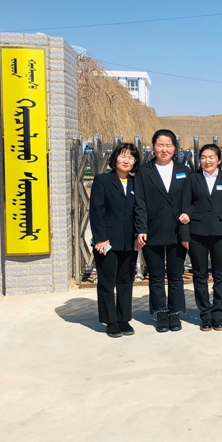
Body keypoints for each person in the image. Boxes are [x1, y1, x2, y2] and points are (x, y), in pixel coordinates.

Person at [134, 129, 191, 333]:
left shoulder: (185, 171)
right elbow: (139, 202)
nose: (164, 149)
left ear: (175, 148)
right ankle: (160, 313)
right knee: (156, 275)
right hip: (153, 229)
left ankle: (175, 313)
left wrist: (188, 215)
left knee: (176, 275)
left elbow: (191, 200)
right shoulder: (144, 171)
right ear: (153, 147)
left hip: (177, 230)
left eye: (168, 145)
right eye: (160, 145)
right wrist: (141, 228)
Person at [181, 144, 222, 331]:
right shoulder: (193, 178)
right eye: (203, 157)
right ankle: (205, 314)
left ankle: (218, 314)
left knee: (220, 275)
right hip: (197, 233)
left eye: (211, 157)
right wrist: (185, 234)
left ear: (219, 160)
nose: (207, 161)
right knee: (200, 275)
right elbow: (185, 206)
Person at [90, 142, 140, 338]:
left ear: (135, 162)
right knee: (107, 281)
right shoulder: (102, 180)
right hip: (107, 241)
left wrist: (138, 236)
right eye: (123, 155)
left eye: (131, 157)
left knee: (126, 281)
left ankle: (123, 318)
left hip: (130, 242)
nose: (126, 160)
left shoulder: (136, 183)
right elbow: (97, 211)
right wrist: (101, 239)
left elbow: (139, 212)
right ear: (115, 158)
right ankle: (111, 320)